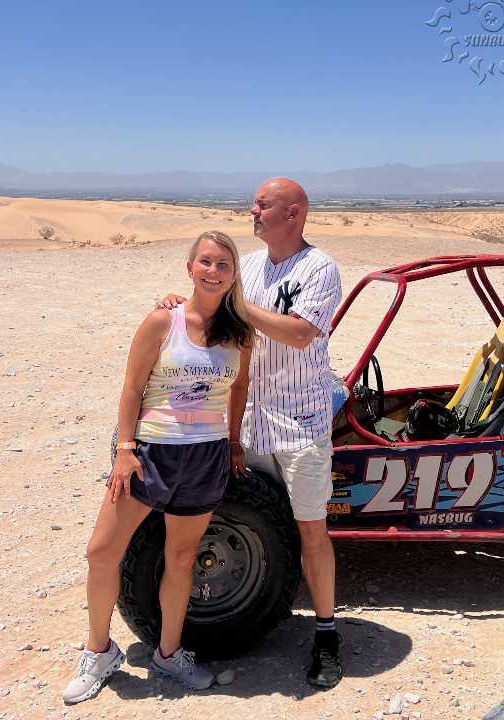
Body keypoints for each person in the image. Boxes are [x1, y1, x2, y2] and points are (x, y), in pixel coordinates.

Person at [160, 178, 343, 688]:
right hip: (250, 422)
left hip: (300, 424)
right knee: (255, 519)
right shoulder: (254, 268)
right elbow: (219, 316)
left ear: (294, 213)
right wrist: (179, 304)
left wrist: (237, 304)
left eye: (263, 205)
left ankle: (327, 635)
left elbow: (300, 333)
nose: (253, 211)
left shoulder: (319, 268)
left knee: (311, 531)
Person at [63, 231, 253, 704]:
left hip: (206, 456)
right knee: (101, 552)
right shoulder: (162, 321)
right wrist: (125, 448)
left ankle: (169, 654)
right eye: (205, 262)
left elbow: (239, 388)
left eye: (224, 264)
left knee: (182, 558)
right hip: (152, 452)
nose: (214, 271)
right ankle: (99, 651)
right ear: (190, 268)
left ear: (233, 274)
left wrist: (233, 442)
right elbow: (132, 387)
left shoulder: (239, 333)